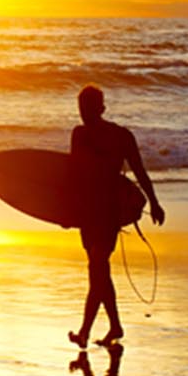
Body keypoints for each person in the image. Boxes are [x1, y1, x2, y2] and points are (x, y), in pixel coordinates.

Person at [67, 85, 163, 349]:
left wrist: (154, 202)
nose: (83, 114)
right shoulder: (79, 135)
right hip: (87, 211)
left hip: (109, 210)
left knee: (97, 266)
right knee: (98, 270)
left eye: (88, 108)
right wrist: (66, 212)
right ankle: (115, 326)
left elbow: (139, 171)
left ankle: (85, 331)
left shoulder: (121, 136)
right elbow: (74, 176)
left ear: (101, 108)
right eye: (80, 109)